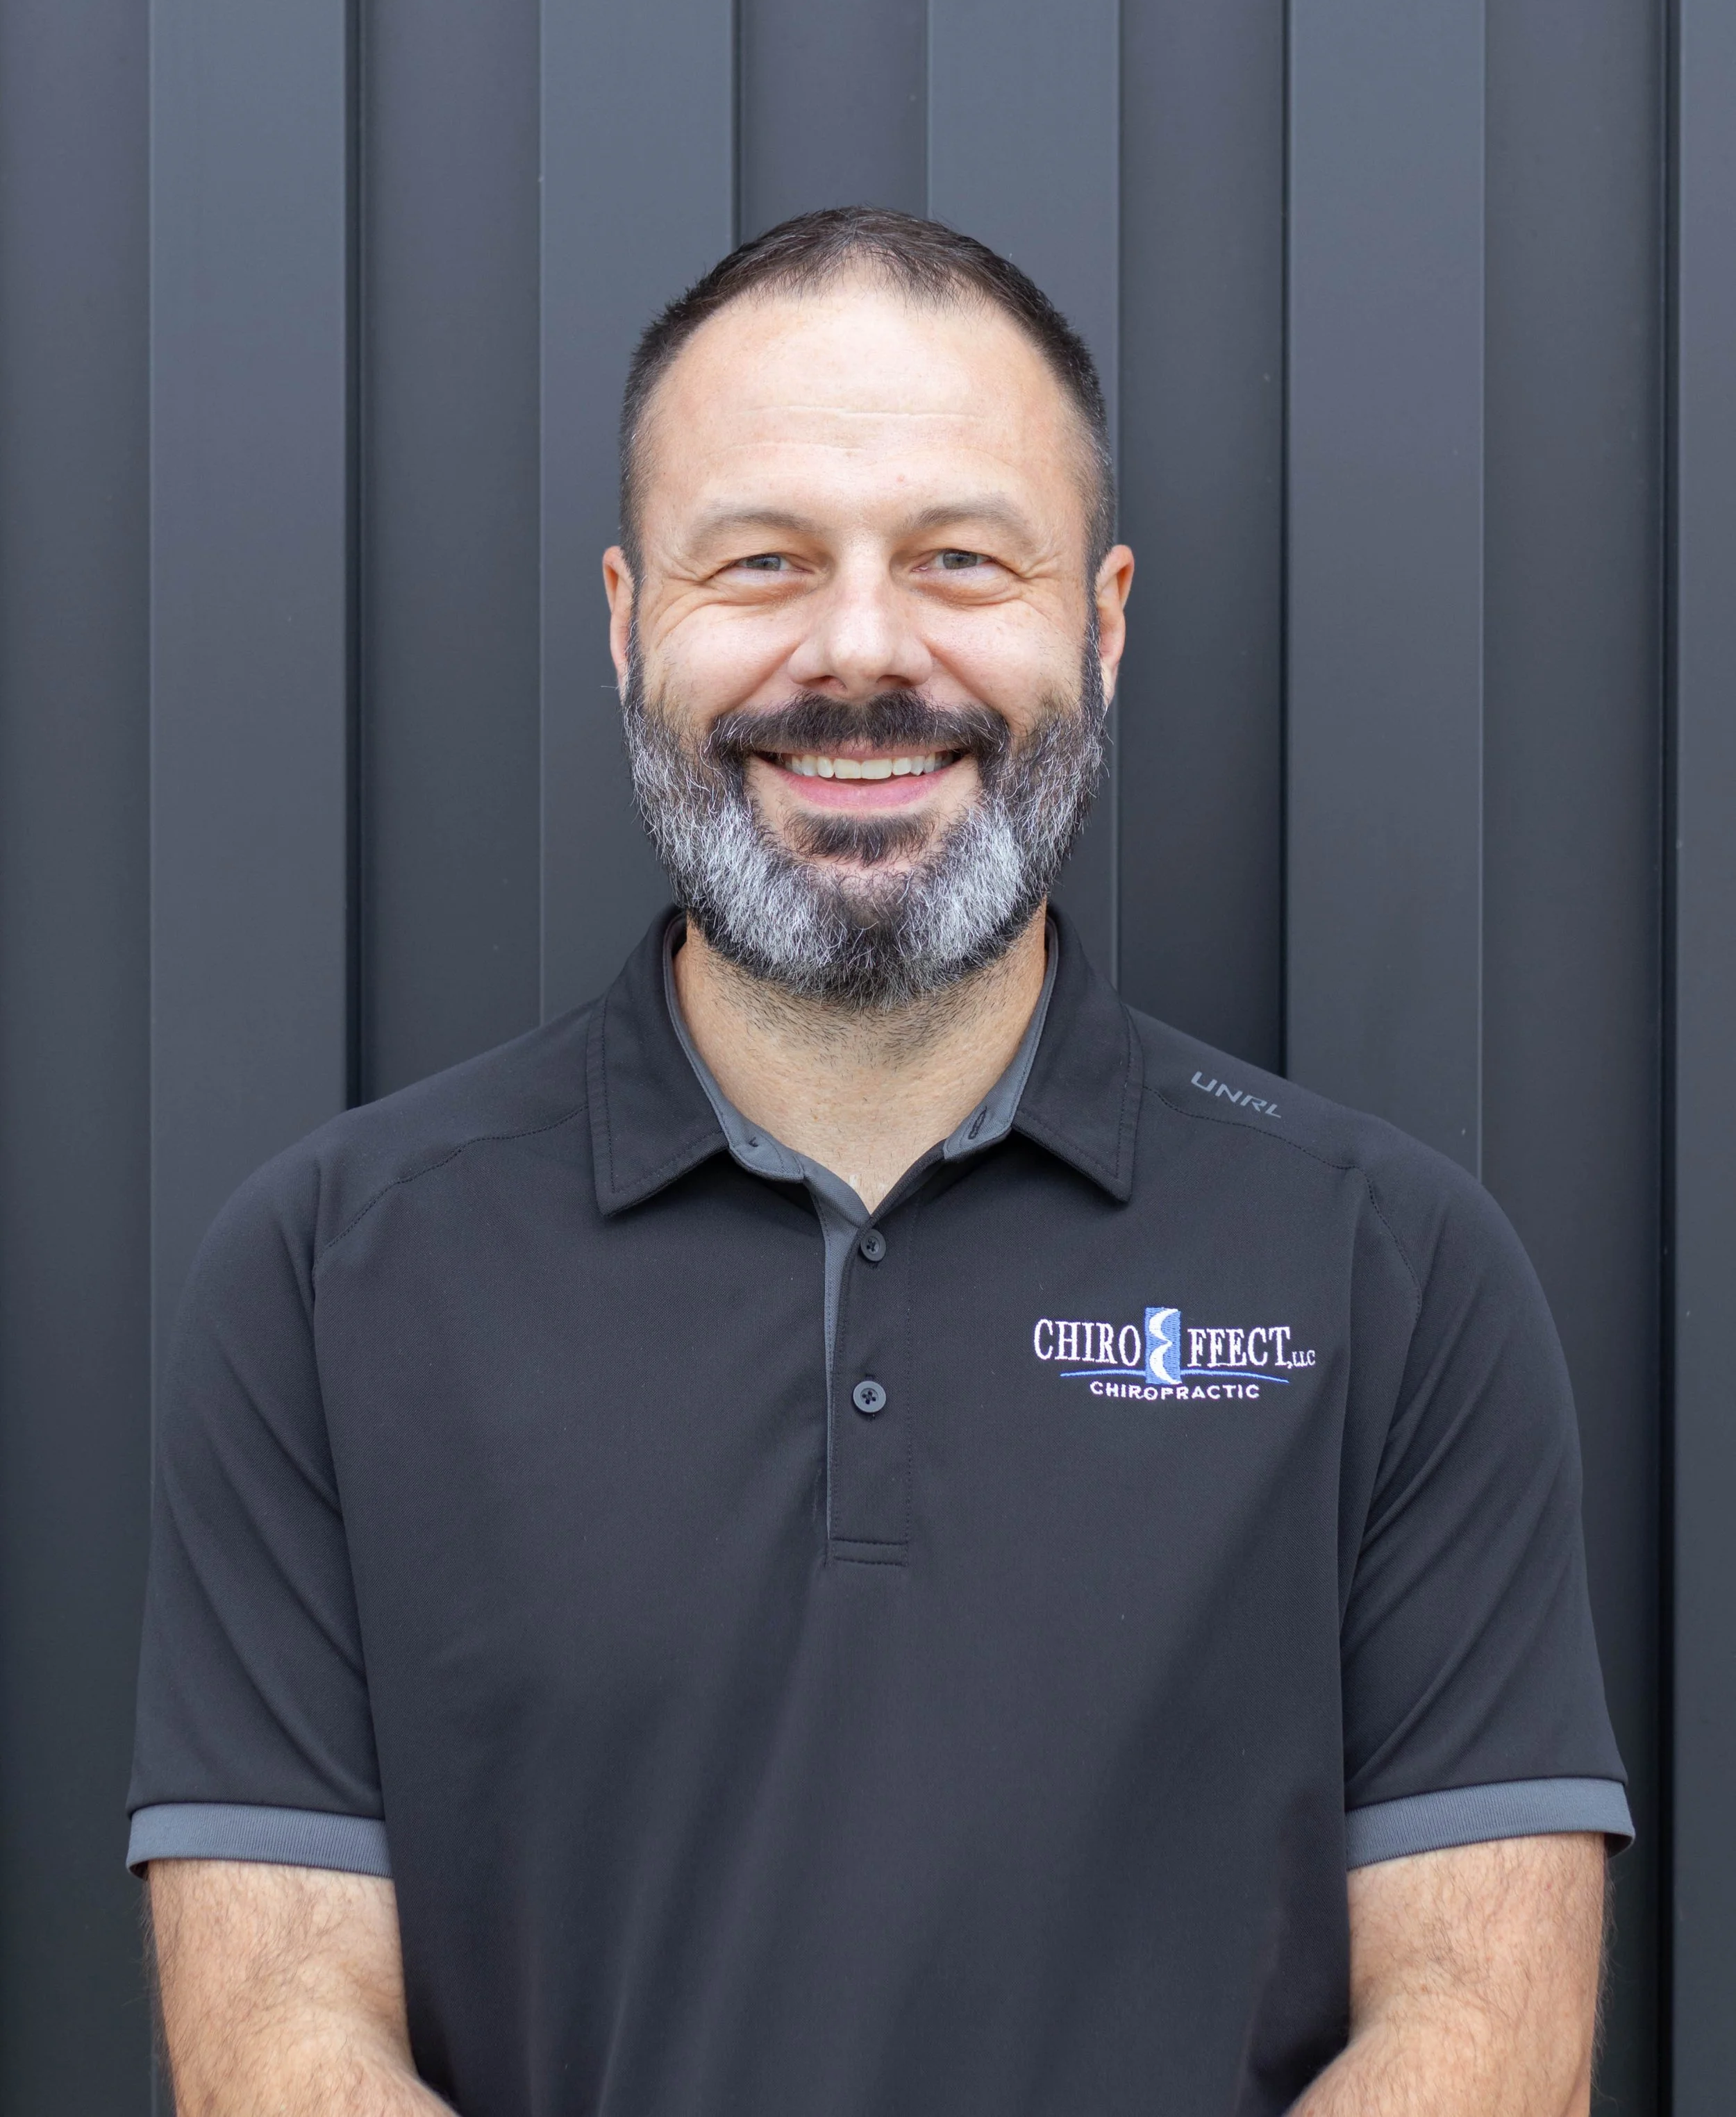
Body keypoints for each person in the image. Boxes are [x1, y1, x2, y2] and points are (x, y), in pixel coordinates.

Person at [131, 208, 1630, 2116]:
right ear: (625, 620)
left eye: (958, 559)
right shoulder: (328, 1273)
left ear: (1095, 619)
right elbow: (276, 2038)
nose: (858, 651)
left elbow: (1481, 2037)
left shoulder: (1392, 1272)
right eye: (760, 560)